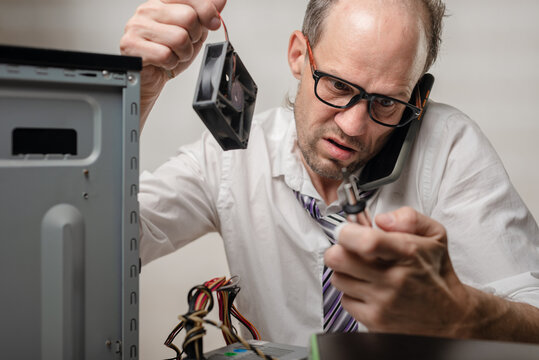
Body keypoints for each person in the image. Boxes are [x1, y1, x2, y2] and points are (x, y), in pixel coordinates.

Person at [120, 0, 539, 345]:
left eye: (387, 102)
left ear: (417, 96)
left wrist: (461, 314)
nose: (354, 126)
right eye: (338, 86)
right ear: (299, 56)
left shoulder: (449, 148)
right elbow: (101, 247)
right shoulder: (232, 158)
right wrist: (134, 96)